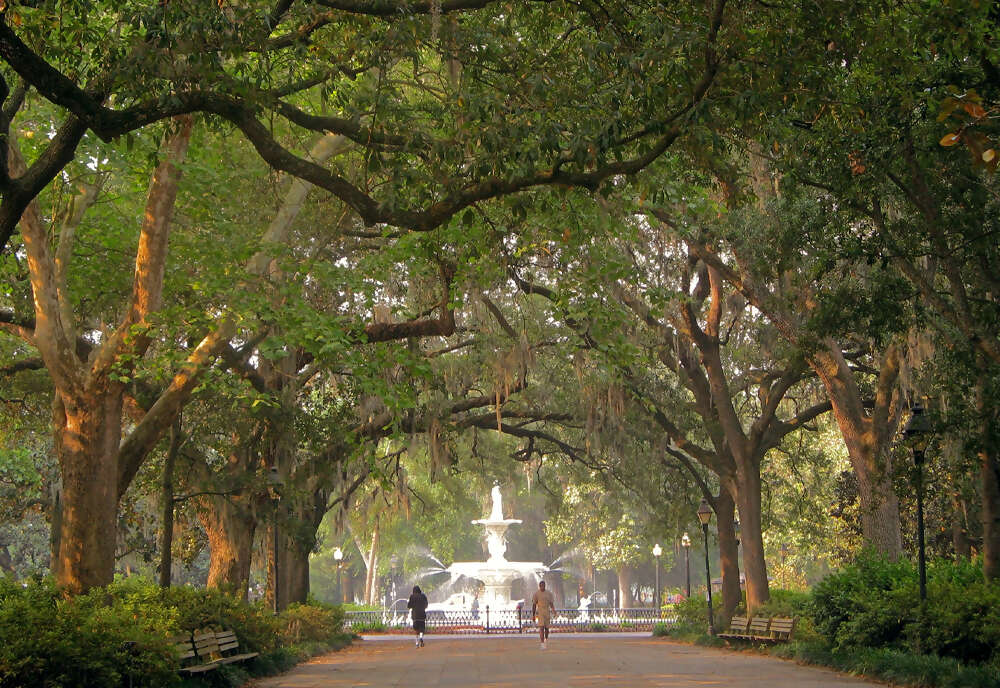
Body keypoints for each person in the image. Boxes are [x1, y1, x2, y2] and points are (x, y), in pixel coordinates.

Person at [531, 580, 556, 649]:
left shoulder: (549, 593)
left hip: (547, 611)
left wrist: (554, 611)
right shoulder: (536, 594)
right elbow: (534, 605)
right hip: (540, 612)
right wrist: (533, 615)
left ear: (545, 586)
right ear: (539, 586)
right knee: (541, 627)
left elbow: (551, 603)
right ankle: (542, 643)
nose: (542, 587)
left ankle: (546, 639)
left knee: (546, 628)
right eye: (541, 586)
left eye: (543, 586)